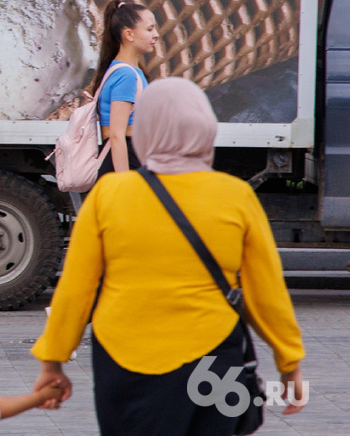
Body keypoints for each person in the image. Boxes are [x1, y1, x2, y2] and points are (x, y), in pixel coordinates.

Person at [31, 78, 307, 435]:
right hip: (213, 362)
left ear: (144, 133)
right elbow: (265, 292)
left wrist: (53, 361)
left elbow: (77, 289)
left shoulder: (109, 196)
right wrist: (290, 362)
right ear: (206, 130)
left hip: (123, 363)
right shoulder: (235, 197)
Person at [91, 0, 156, 177]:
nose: (156, 35)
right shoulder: (126, 75)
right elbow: (117, 135)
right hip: (125, 159)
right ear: (129, 34)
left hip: (129, 157)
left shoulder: (127, 71)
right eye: (149, 29)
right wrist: (123, 184)